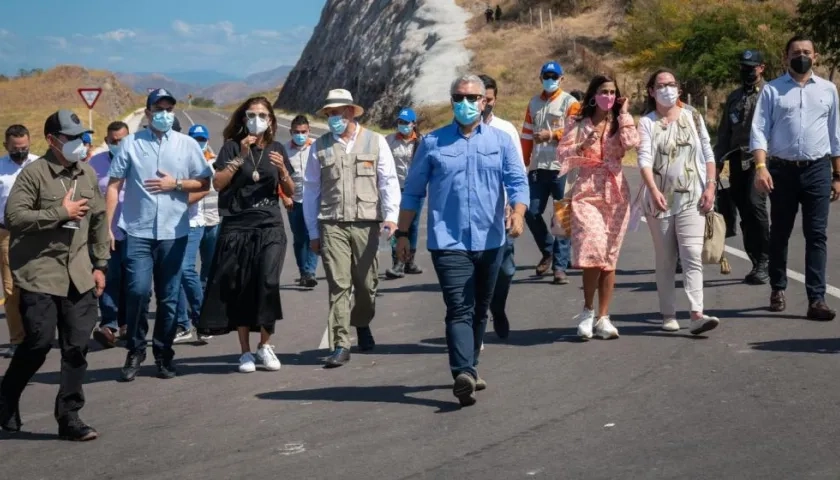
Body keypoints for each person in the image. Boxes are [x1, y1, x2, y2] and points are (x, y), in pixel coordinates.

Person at [397, 74, 528, 406]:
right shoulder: (432, 144)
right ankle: (462, 373)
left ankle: (472, 367)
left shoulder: (500, 141)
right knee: (459, 307)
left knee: (480, 308)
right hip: (448, 241)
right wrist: (402, 234)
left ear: (485, 101)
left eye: (473, 98)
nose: (466, 104)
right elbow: (412, 192)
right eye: (459, 97)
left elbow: (517, 181)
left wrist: (519, 212)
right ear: (452, 100)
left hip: (491, 240)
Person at [0, 109, 108, 440]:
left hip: (78, 273)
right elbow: (14, 216)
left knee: (76, 347)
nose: (80, 143)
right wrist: (60, 212)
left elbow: (99, 221)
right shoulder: (34, 174)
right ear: (52, 140)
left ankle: (69, 416)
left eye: (82, 137)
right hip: (40, 272)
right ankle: (6, 398)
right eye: (72, 138)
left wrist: (100, 264)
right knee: (38, 342)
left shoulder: (87, 174)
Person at [106, 88, 213, 382]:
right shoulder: (131, 144)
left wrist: (176, 186)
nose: (164, 113)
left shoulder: (187, 145)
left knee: (167, 298)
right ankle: (135, 349)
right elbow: (114, 185)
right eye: (159, 108)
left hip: (174, 233)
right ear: (149, 111)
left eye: (169, 108)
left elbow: (204, 182)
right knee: (138, 291)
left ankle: (164, 354)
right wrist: (109, 228)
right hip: (137, 232)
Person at [196, 96, 295, 373]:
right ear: (243, 119)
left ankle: (265, 345)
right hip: (237, 226)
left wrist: (284, 171)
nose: (257, 119)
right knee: (240, 287)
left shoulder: (276, 149)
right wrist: (240, 155)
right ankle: (245, 352)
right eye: (251, 114)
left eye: (262, 115)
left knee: (267, 281)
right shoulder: (230, 147)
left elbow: (290, 192)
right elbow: (217, 183)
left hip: (270, 226)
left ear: (271, 121)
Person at [303, 89, 400, 368]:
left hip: (367, 224)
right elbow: (311, 192)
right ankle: (341, 343)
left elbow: (388, 181)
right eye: (330, 113)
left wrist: (391, 217)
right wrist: (313, 232)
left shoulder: (375, 141)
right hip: (332, 223)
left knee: (366, 285)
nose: (333, 117)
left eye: (337, 112)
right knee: (339, 285)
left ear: (349, 112)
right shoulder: (318, 147)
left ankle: (361, 322)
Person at [751, 34, 840, 320]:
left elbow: (835, 135)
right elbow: (759, 130)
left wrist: (837, 174)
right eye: (795, 52)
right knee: (781, 232)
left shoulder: (828, 90)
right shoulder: (772, 90)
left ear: (815, 57)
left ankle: (817, 299)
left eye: (806, 51)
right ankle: (778, 287)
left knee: (816, 235)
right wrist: (761, 167)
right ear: (785, 57)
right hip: (782, 170)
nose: (801, 56)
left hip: (817, 170)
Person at [636, 68, 720, 335]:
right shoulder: (647, 123)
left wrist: (710, 186)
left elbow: (708, 152)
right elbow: (644, 160)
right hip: (659, 200)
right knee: (666, 259)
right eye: (660, 85)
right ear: (651, 91)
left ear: (679, 89)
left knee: (692, 254)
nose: (666, 89)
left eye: (671, 84)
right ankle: (668, 313)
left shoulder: (693, 116)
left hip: (692, 197)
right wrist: (652, 189)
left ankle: (696, 313)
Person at [556, 75, 639, 340]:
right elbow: (562, 155)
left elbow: (631, 143)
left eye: (613, 92)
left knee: (609, 256)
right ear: (594, 94)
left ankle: (604, 317)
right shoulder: (577, 122)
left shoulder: (619, 122)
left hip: (615, 192)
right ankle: (587, 310)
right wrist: (582, 142)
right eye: (604, 91)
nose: (609, 96)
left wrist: (624, 114)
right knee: (593, 248)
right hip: (587, 190)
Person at [713, 50, 770, 285]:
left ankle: (766, 259)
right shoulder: (734, 97)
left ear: (761, 68)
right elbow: (725, 132)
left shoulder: (771, 93)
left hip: (762, 160)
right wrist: (716, 162)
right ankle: (757, 262)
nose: (747, 71)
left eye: (751, 67)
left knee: (756, 206)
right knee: (745, 211)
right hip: (737, 161)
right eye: (743, 66)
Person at [521, 61, 581, 284]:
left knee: (562, 216)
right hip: (538, 167)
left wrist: (553, 135)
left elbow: (576, 130)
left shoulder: (570, 102)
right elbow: (527, 136)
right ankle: (548, 250)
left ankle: (559, 267)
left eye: (554, 75)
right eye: (546, 75)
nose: (550, 79)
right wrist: (523, 163)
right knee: (530, 211)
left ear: (562, 78)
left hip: (562, 167)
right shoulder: (534, 103)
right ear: (540, 78)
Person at [478, 74, 525, 339]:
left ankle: (498, 306)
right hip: (471, 216)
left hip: (501, 213)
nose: (484, 104)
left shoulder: (506, 130)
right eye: (479, 99)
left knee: (505, 269)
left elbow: (517, 174)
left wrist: (516, 210)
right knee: (474, 272)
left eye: (489, 99)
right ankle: (478, 322)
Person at [89, 121, 130, 349]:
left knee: (132, 280)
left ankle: (128, 323)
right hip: (107, 233)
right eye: (113, 141)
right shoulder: (95, 164)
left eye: (122, 140)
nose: (117, 144)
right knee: (109, 278)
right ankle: (109, 325)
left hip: (135, 231)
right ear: (106, 141)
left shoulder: (138, 161)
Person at [172, 124, 215, 344]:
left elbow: (204, 188)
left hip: (192, 222)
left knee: (186, 268)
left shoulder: (200, 161)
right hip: (167, 225)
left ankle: (202, 319)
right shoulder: (172, 157)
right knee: (173, 274)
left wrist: (176, 203)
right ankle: (182, 324)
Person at [0, 125, 38, 358]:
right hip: (6, 233)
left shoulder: (39, 165)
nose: (20, 153)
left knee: (36, 286)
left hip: (36, 232)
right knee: (11, 289)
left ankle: (38, 335)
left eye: (24, 148)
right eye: (15, 149)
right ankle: (17, 339)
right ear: (6, 146)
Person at [384, 107, 423, 279]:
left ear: (413, 124)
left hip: (415, 189)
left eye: (406, 122)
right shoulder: (389, 141)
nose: (403, 125)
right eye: (400, 122)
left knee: (413, 226)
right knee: (396, 225)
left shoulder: (421, 142)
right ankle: (397, 262)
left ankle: (409, 261)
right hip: (396, 188)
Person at [284, 115, 319, 288]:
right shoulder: (283, 150)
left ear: (309, 131)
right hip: (294, 201)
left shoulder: (316, 148)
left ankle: (310, 271)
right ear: (291, 132)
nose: (300, 135)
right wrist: (285, 197)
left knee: (313, 235)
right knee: (299, 238)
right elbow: (278, 177)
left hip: (314, 199)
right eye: (297, 132)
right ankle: (303, 271)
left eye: (303, 132)